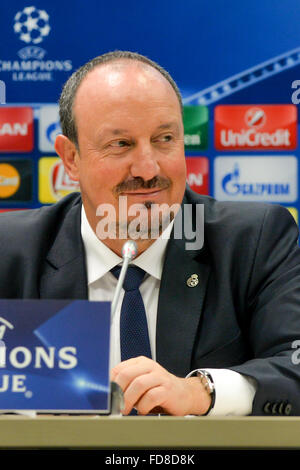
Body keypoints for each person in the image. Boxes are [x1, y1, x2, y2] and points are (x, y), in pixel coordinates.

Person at [1, 50, 300, 416]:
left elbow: (294, 364)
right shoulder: (11, 252)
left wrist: (200, 391)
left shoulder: (253, 241)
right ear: (71, 159)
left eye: (164, 139)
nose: (147, 168)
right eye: (121, 144)